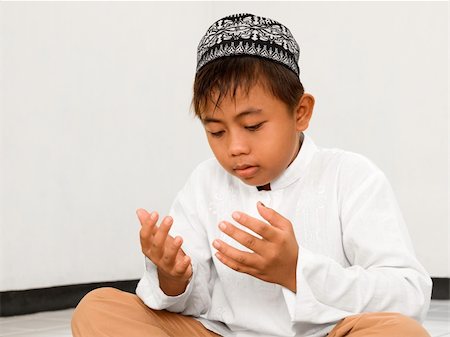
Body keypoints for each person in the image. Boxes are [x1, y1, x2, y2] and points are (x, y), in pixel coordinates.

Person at [71, 13, 432, 337]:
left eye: (253, 126)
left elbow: (408, 294)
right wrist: (173, 278)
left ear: (301, 112)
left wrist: (296, 271)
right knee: (100, 308)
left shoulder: (351, 177)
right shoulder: (205, 183)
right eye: (216, 131)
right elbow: (194, 300)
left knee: (400, 332)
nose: (235, 147)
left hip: (328, 334)